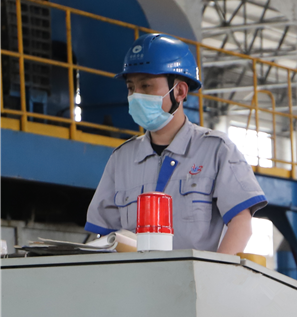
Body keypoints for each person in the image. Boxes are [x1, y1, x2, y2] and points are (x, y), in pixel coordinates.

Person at [85, 33, 266, 253]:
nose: (136, 96)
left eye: (146, 86)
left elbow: (241, 223)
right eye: (131, 88)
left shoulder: (216, 150)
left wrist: (215, 272)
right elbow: (105, 234)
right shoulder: (121, 159)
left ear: (179, 91)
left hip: (195, 275)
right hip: (135, 275)